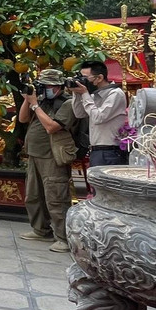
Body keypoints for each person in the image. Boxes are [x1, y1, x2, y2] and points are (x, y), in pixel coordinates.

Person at [18, 69, 77, 253]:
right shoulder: (42, 101)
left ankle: (63, 238)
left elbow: (52, 127)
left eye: (48, 86)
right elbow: (23, 119)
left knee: (56, 198)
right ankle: (40, 229)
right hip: (35, 154)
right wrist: (28, 100)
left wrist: (35, 105)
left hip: (53, 156)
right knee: (33, 195)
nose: (45, 89)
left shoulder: (67, 103)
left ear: (58, 86)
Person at [71, 60, 128, 167]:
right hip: (95, 151)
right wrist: (77, 94)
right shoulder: (93, 95)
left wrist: (84, 94)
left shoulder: (115, 94)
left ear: (100, 78)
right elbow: (79, 114)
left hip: (109, 152)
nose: (82, 81)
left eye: (85, 78)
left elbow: (98, 118)